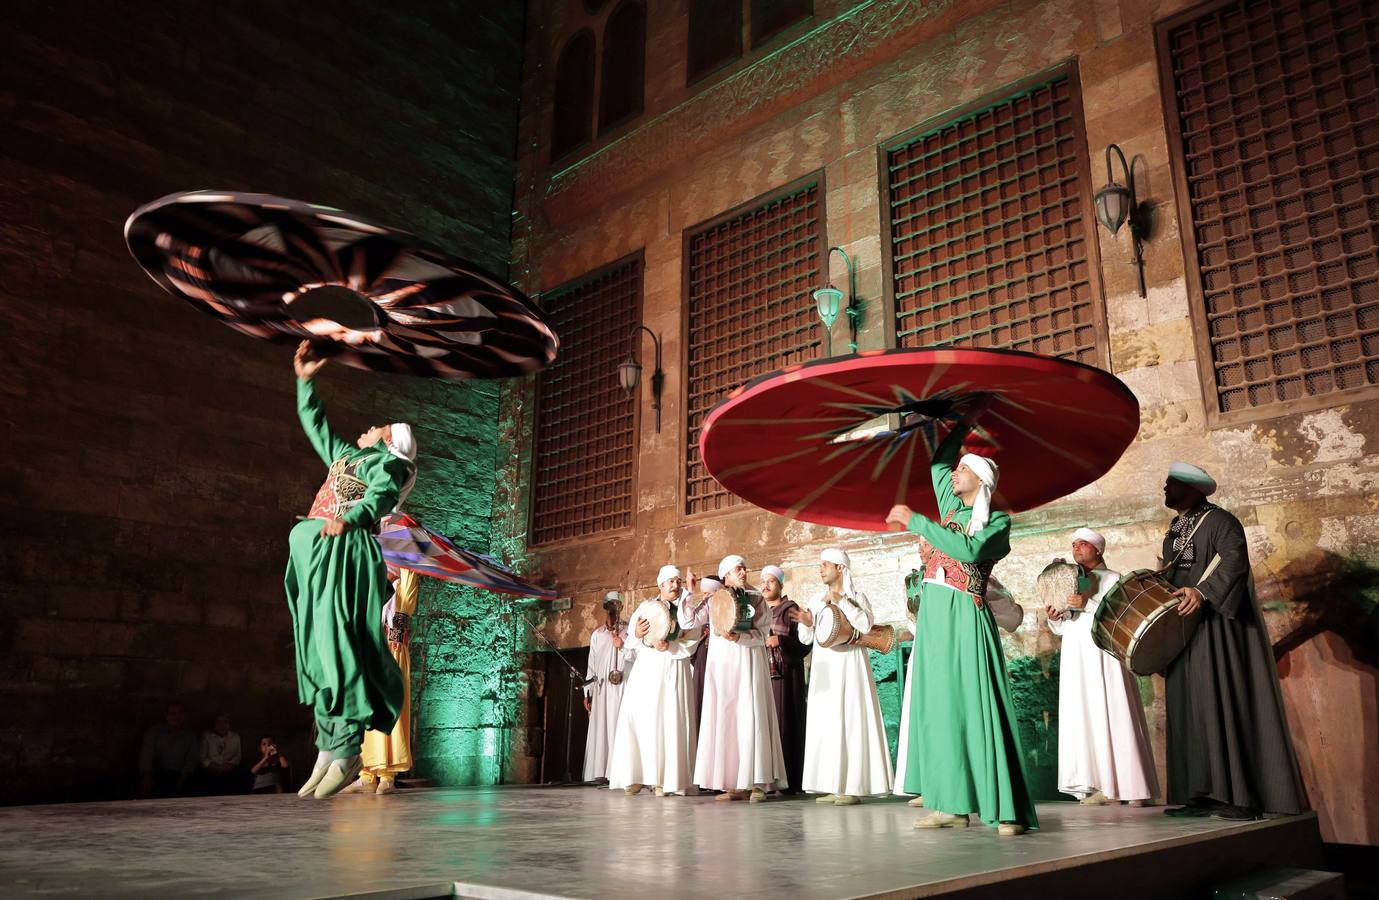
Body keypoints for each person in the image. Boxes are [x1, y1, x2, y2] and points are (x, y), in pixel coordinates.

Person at [886, 403, 1037, 836]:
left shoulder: (997, 522)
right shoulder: (952, 510)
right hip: (934, 614)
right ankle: (949, 803)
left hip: (965, 619)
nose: (954, 475)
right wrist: (963, 425)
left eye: (963, 471)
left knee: (976, 705)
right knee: (939, 707)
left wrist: (915, 520)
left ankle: (1004, 808)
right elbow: (938, 463)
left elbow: (968, 553)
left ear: (981, 479)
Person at [287, 341, 413, 800]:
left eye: (378, 426)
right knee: (318, 643)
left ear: (388, 438)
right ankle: (327, 744)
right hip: (320, 551)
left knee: (342, 642)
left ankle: (347, 747)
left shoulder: (387, 464)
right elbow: (316, 425)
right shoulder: (345, 455)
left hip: (346, 552)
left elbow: (379, 496)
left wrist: (352, 517)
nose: (368, 427)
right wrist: (305, 381)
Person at [1159, 463, 1306, 820]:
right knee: (1189, 707)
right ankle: (1199, 793)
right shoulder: (1174, 530)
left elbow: (1235, 562)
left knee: (1220, 699)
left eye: (1172, 483)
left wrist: (1203, 591)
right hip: (1185, 630)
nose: (1165, 488)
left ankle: (1238, 795)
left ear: (1194, 488)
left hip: (1216, 628)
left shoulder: (1220, 521)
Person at [1045, 529, 1158, 806]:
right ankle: (1097, 785)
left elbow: (1121, 617)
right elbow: (1061, 627)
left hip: (1104, 654)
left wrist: (1088, 603)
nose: (1076, 548)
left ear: (1098, 549)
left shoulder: (1114, 579)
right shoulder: (1067, 581)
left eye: (1083, 544)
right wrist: (1055, 617)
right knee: (1085, 715)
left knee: (1115, 711)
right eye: (1073, 544)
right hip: (1076, 655)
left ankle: (1133, 789)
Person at [793, 549, 894, 805]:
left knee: (850, 719)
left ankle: (852, 786)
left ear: (840, 568)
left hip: (850, 663)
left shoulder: (856, 597)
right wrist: (807, 621)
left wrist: (842, 601)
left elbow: (865, 625)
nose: (821, 569)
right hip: (825, 668)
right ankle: (831, 783)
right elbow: (806, 638)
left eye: (825, 564)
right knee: (826, 722)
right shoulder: (816, 600)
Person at [692, 556, 786, 802]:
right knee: (727, 718)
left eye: (744, 567)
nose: (743, 571)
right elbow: (688, 621)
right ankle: (734, 784)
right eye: (737, 569)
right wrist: (691, 593)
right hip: (722, 666)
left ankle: (756, 783)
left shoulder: (755, 597)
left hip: (748, 663)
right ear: (725, 576)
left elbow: (763, 630)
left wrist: (740, 639)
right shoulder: (715, 599)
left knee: (749, 715)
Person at [608, 565, 703, 797]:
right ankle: (637, 776)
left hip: (673, 665)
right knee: (641, 718)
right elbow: (631, 640)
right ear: (660, 585)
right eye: (670, 581)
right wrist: (640, 635)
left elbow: (694, 637)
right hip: (648, 668)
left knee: (668, 720)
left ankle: (664, 779)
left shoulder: (687, 607)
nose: (675, 584)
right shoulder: (646, 607)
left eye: (678, 581)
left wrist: (670, 645)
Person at [343, 567, 422, 795]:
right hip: (371, 655)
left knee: (391, 713)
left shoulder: (404, 589)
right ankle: (366, 774)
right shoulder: (374, 589)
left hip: (394, 654)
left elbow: (410, 566)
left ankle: (387, 776)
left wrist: (403, 548)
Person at [762, 564, 809, 795]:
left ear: (780, 584)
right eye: (763, 581)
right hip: (763, 675)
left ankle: (788, 780)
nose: (766, 585)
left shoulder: (791, 609)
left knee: (785, 724)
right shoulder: (759, 613)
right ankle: (766, 779)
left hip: (785, 677)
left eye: (771, 581)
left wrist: (780, 642)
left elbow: (803, 644)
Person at [583, 592, 635, 783]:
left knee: (618, 725)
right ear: (605, 608)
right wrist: (587, 693)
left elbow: (635, 656)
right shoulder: (597, 634)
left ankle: (619, 772)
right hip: (602, 689)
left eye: (617, 606)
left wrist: (621, 645)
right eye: (610, 606)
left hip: (622, 686)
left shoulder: (630, 632)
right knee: (602, 727)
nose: (614, 610)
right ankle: (600, 771)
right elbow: (592, 664)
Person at [138, 701, 197, 797]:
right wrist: (147, 780)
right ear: (166, 716)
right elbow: (146, 757)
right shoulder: (154, 733)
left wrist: (180, 783)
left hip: (181, 776)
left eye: (180, 713)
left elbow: (191, 760)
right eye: (172, 714)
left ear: (185, 715)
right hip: (157, 775)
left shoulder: (190, 736)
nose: (177, 717)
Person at [199, 713, 242, 795]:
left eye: (225, 722)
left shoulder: (235, 737)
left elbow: (238, 756)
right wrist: (216, 767)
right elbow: (202, 757)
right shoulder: (207, 736)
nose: (222, 725)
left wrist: (227, 766)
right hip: (211, 772)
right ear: (214, 724)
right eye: (219, 722)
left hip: (229, 771)